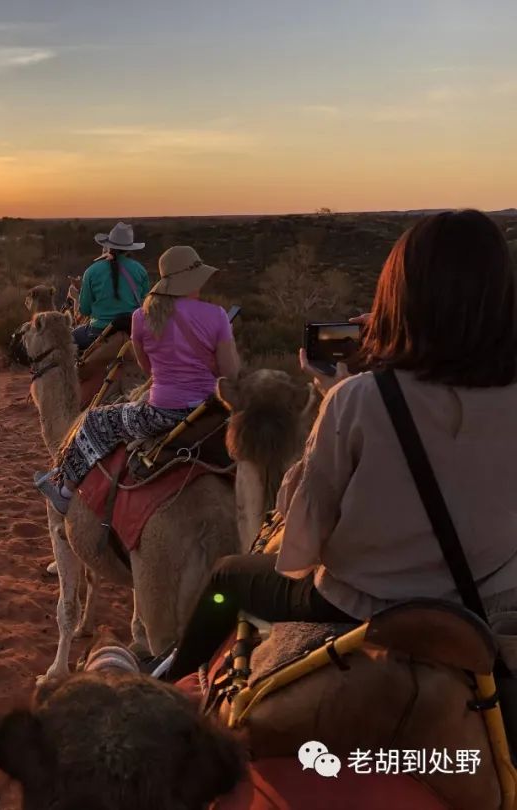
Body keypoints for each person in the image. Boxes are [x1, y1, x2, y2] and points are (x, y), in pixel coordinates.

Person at [164, 209, 517, 681]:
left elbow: (302, 531)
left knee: (227, 575)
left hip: (362, 603)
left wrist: (336, 394)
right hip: (485, 600)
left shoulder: (360, 399)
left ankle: (175, 681)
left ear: (399, 298)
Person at [36, 245, 241, 514]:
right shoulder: (216, 316)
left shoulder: (141, 317)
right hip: (211, 412)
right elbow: (231, 374)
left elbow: (148, 369)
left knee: (93, 421)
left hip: (160, 415)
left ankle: (64, 492)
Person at [72, 222, 150, 350]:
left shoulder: (91, 271)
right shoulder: (140, 270)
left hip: (98, 331)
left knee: (68, 341)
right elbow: (146, 303)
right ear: (129, 248)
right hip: (132, 329)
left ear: (108, 246)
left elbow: (85, 310)